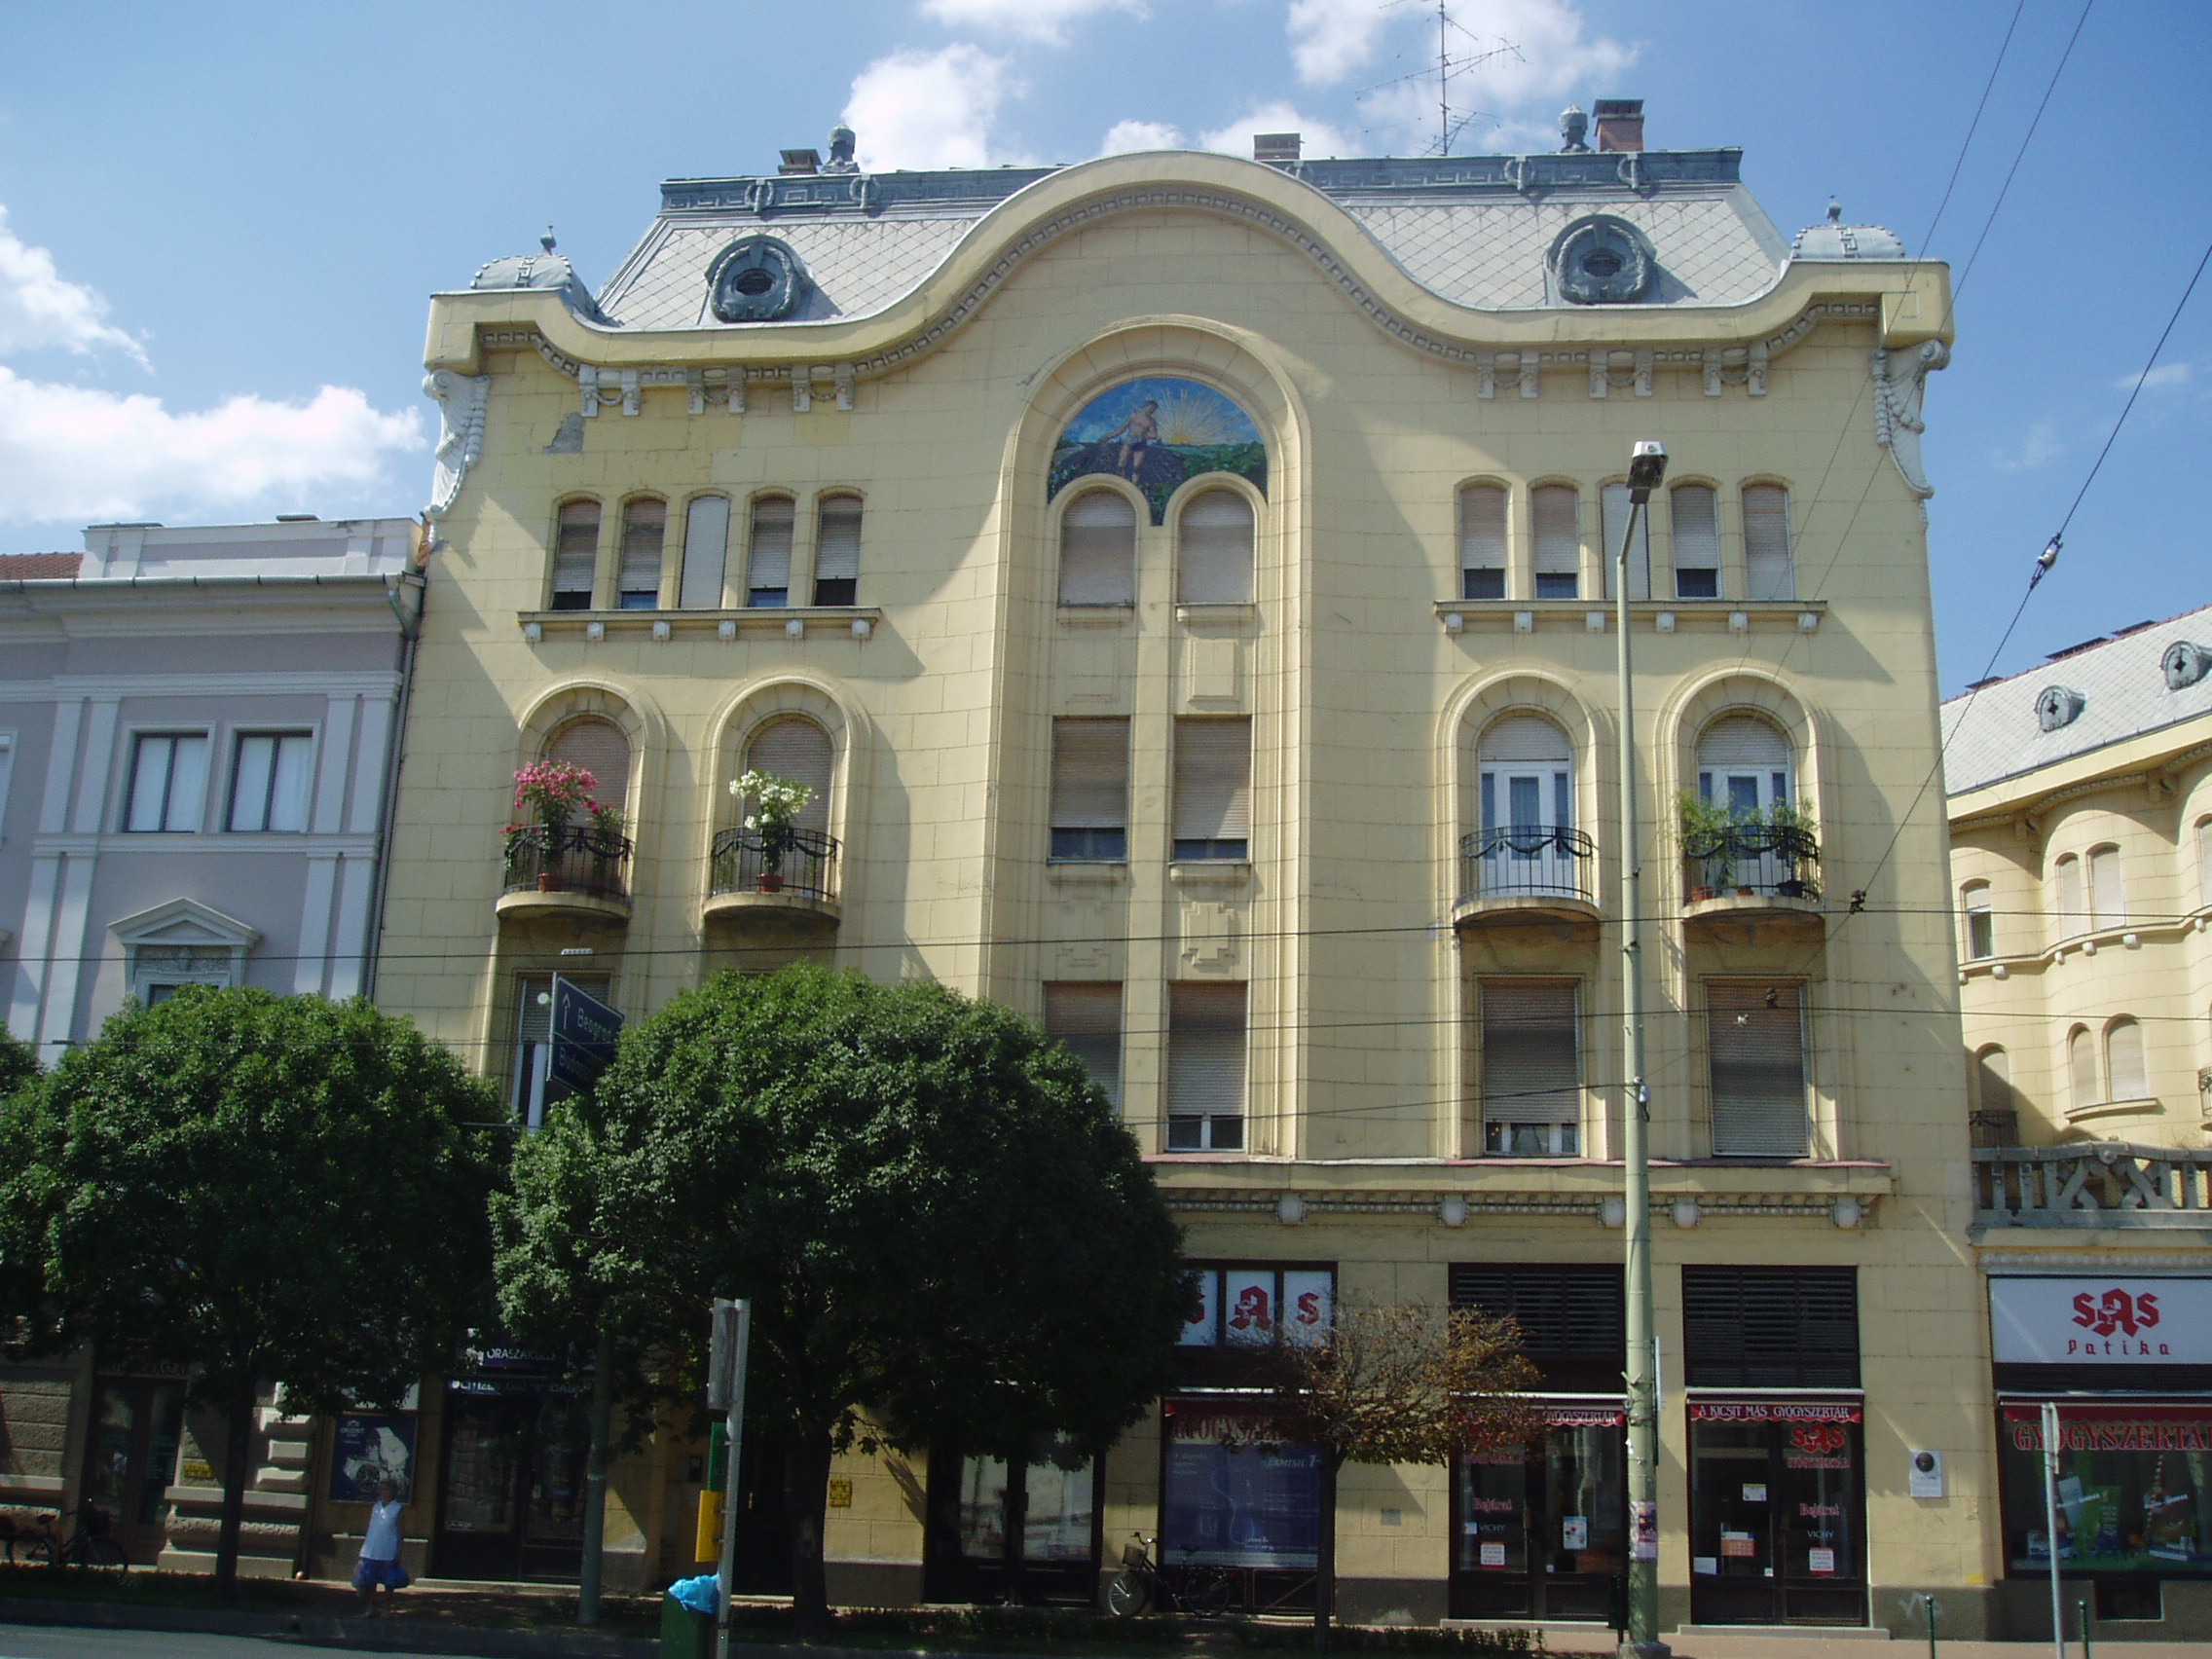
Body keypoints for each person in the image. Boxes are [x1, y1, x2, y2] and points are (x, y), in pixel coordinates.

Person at [353, 1479, 406, 1613]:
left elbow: (400, 1532)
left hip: (388, 1550)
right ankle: (371, 1607)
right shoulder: (376, 1507)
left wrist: (399, 1550)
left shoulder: (397, 1508)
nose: (381, 1492)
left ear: (391, 1491)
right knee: (370, 1581)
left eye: (384, 1489)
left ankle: (386, 1608)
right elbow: (372, 1528)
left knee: (389, 1582)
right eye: (380, 1489)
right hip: (373, 1549)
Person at [1099, 399, 1160, 481]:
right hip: (1130, 439)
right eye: (1150, 408)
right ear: (1146, 406)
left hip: (1140, 443)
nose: (1151, 410)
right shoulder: (1134, 415)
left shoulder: (1151, 422)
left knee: (1137, 467)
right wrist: (1112, 435)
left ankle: (1134, 484)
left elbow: (1154, 435)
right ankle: (1121, 480)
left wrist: (1144, 436)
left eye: (1153, 409)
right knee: (1121, 463)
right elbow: (1124, 427)